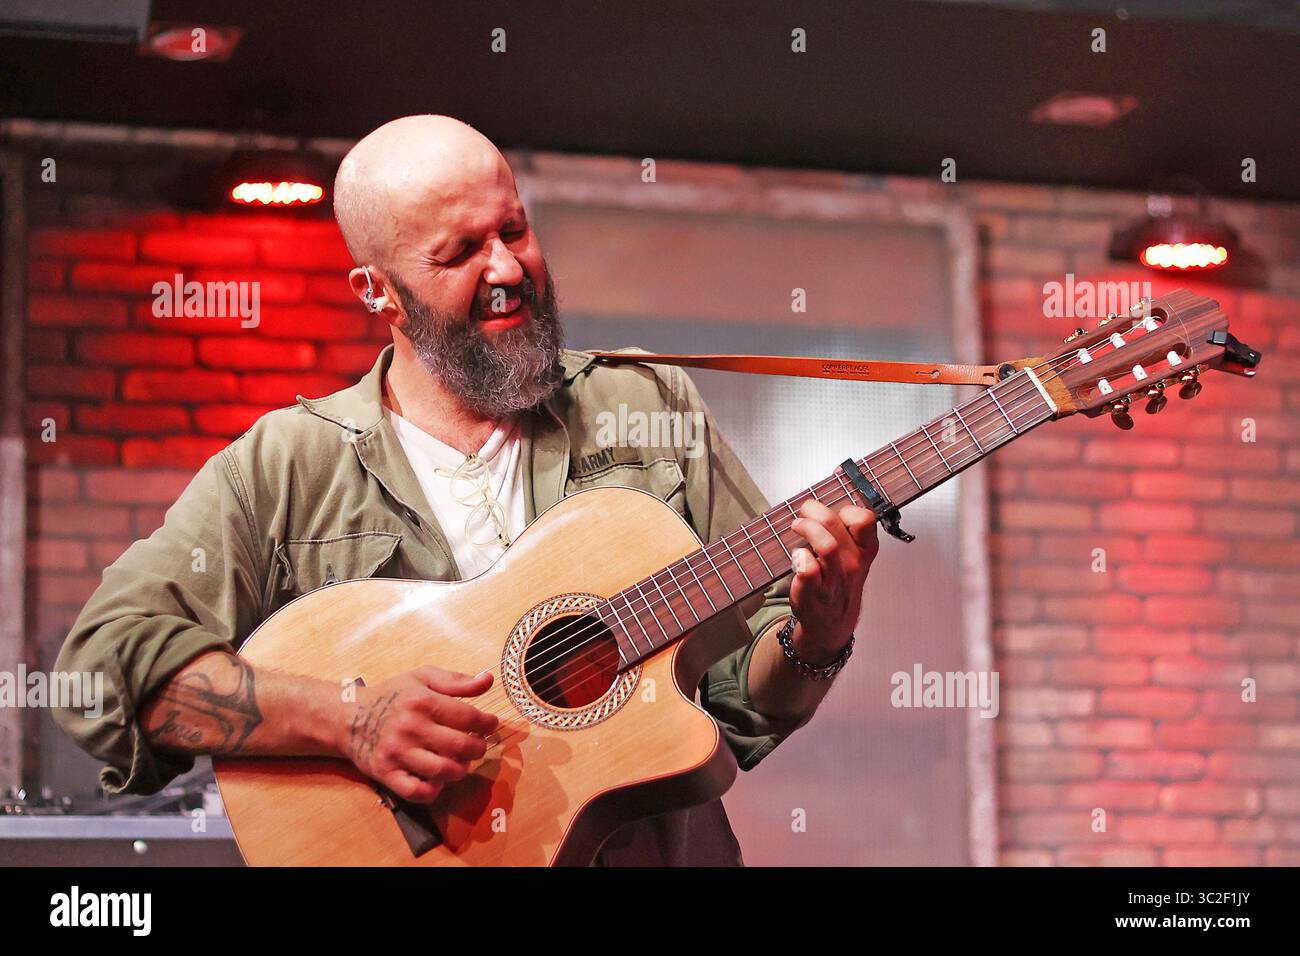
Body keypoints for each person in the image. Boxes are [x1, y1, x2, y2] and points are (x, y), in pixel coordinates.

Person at [53, 115, 879, 865]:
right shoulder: (285, 467)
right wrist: (348, 719)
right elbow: (101, 673)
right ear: (377, 291)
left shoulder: (646, 407)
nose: (507, 269)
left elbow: (742, 698)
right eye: (458, 253)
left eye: (514, 229)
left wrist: (819, 637)